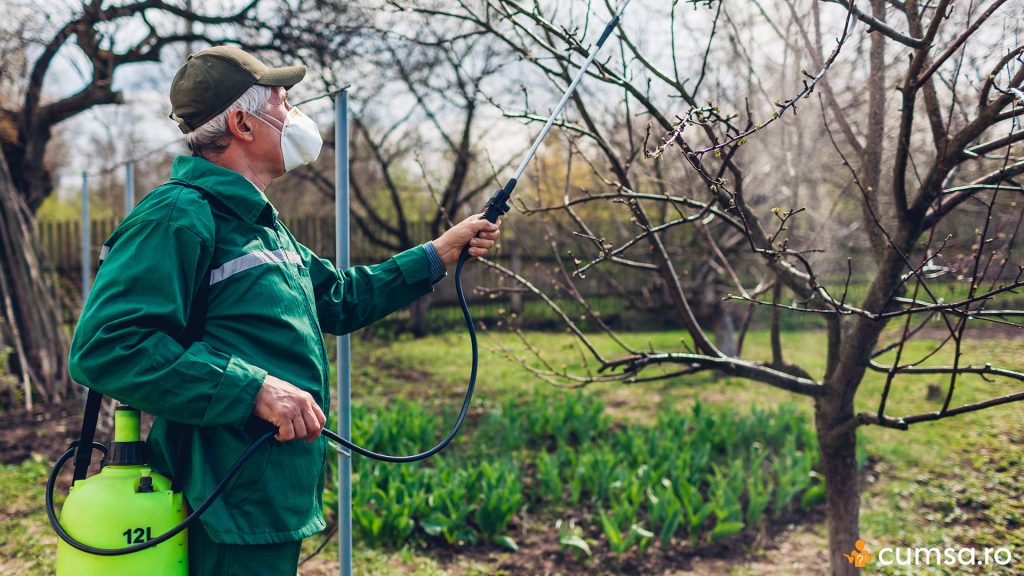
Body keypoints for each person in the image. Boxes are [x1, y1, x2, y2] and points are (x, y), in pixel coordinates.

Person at [67, 46, 501, 575]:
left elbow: (338, 299)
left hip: (265, 497)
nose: (295, 116)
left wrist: (440, 253)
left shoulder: (258, 224)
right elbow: (107, 347)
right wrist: (253, 389)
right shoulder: (179, 216)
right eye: (284, 102)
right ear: (242, 123)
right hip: (219, 502)